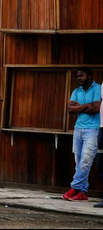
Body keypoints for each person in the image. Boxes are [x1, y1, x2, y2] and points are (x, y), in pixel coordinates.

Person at [62, 68, 101, 202]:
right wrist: (87, 106)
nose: (79, 78)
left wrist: (79, 106)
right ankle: (82, 193)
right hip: (78, 129)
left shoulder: (98, 88)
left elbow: (96, 109)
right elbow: (69, 109)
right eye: (77, 76)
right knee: (78, 161)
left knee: (85, 160)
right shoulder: (76, 91)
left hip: (93, 130)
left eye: (81, 76)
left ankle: (75, 187)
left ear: (89, 76)